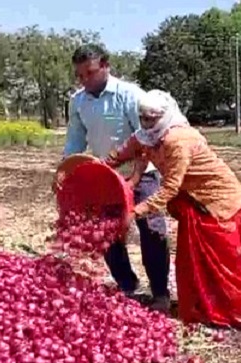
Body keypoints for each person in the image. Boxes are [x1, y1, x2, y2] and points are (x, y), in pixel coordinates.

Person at [106, 90, 241, 332]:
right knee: (197, 264)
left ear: (164, 116)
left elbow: (170, 188)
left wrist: (134, 212)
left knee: (229, 265)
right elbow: (118, 155)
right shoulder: (144, 136)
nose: (146, 123)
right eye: (142, 117)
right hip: (194, 204)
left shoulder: (178, 140)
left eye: (151, 118)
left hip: (218, 201)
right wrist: (93, 170)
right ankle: (210, 310)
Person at [57, 44, 171, 310]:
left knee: (152, 231)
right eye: (80, 75)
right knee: (107, 233)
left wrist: (134, 177)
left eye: (90, 73)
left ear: (106, 66)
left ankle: (160, 293)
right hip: (105, 178)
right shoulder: (78, 101)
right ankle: (127, 286)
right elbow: (75, 139)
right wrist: (64, 171)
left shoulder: (130, 95)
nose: (85, 80)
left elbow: (147, 140)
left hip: (141, 175)